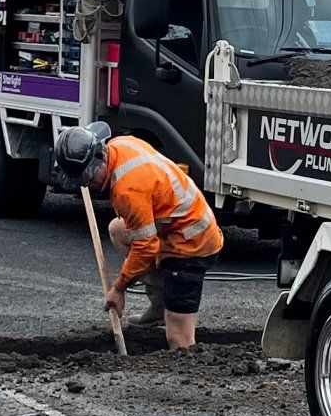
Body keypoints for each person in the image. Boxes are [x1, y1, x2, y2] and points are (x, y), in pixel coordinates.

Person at [53, 121, 222, 350]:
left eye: (89, 179)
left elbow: (146, 247)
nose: (90, 185)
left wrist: (119, 288)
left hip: (191, 244)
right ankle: (160, 301)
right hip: (174, 227)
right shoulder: (119, 145)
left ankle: (186, 376)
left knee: (178, 339)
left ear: (98, 161)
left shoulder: (127, 190)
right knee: (118, 229)